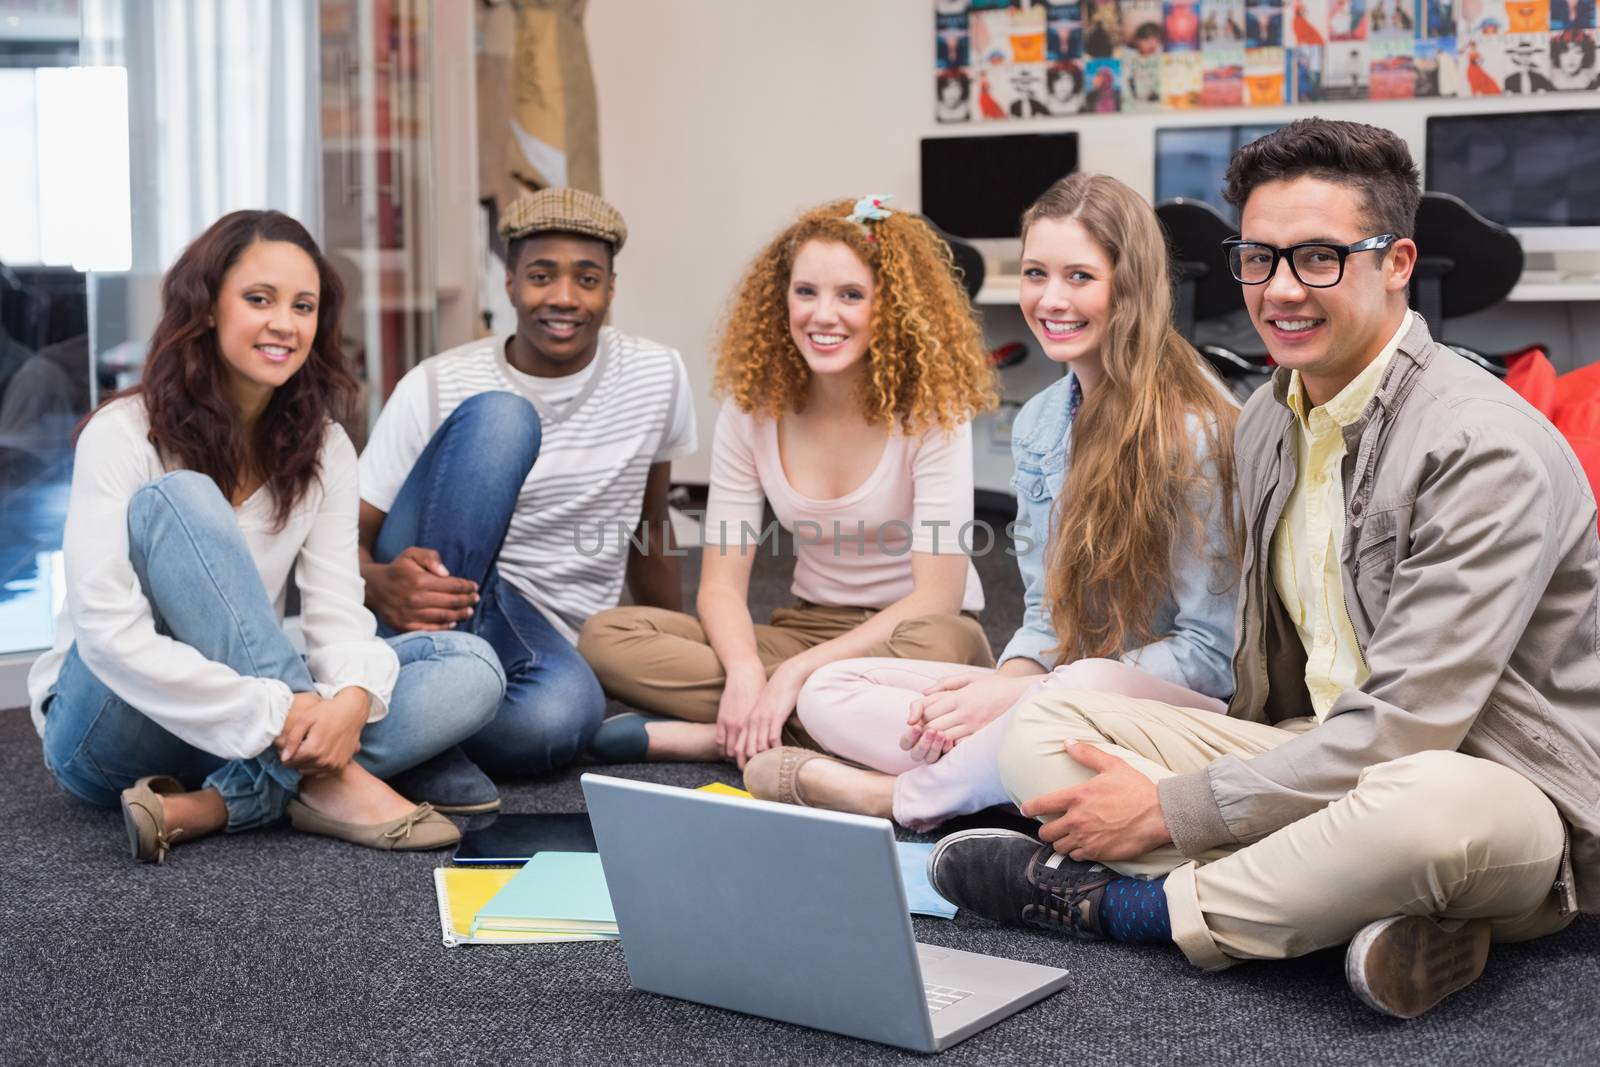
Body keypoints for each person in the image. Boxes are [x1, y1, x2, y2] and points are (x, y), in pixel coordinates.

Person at [928, 118, 1600, 1020]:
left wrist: (1173, 811)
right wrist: (1198, 783)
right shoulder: (1265, 421)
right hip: (1311, 747)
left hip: (1491, 783)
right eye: (1259, 257)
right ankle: (1376, 907)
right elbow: (1283, 693)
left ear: (1397, 262)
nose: (1281, 290)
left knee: (1427, 809)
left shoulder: (1484, 445)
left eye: (1319, 258)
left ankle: (1128, 908)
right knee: (1041, 732)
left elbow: (1408, 728)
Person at [756, 174, 1239, 828]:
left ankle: (902, 797)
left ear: (1131, 286)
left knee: (1075, 687)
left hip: (1164, 713)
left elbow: (1209, 656)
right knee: (825, 690)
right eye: (1037, 273)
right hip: (1052, 698)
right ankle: (998, 776)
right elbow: (1043, 613)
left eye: (1079, 277)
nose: (1050, 299)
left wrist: (1027, 692)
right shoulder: (1041, 421)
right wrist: (1000, 684)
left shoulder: (1197, 431)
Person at [29, 210, 506, 862]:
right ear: (205, 309)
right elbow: (109, 636)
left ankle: (218, 801)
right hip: (111, 723)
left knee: (473, 668)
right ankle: (326, 777)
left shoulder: (326, 448)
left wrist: (350, 698)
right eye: (260, 299)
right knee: (181, 497)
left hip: (242, 720)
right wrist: (296, 714)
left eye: (303, 306)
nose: (285, 322)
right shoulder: (123, 432)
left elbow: (339, 620)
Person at [578, 196, 998, 768]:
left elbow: (937, 597)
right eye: (806, 292)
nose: (823, 315)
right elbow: (722, 585)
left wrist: (793, 675)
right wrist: (749, 671)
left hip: (914, 636)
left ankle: (713, 735)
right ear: (782, 301)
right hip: (807, 625)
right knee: (608, 636)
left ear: (892, 307)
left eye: (851, 294)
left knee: (946, 654)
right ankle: (811, 722)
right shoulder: (752, 409)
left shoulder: (931, 412)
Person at [357, 188, 696, 812]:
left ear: (611, 290)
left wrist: (669, 647)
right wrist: (378, 583)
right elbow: (342, 538)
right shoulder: (438, 381)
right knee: (502, 420)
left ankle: (407, 723)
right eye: (541, 275)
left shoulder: (657, 375)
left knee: (557, 722)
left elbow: (650, 523)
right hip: (431, 589)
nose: (564, 297)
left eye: (586, 278)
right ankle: (425, 726)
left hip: (537, 632)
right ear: (509, 284)